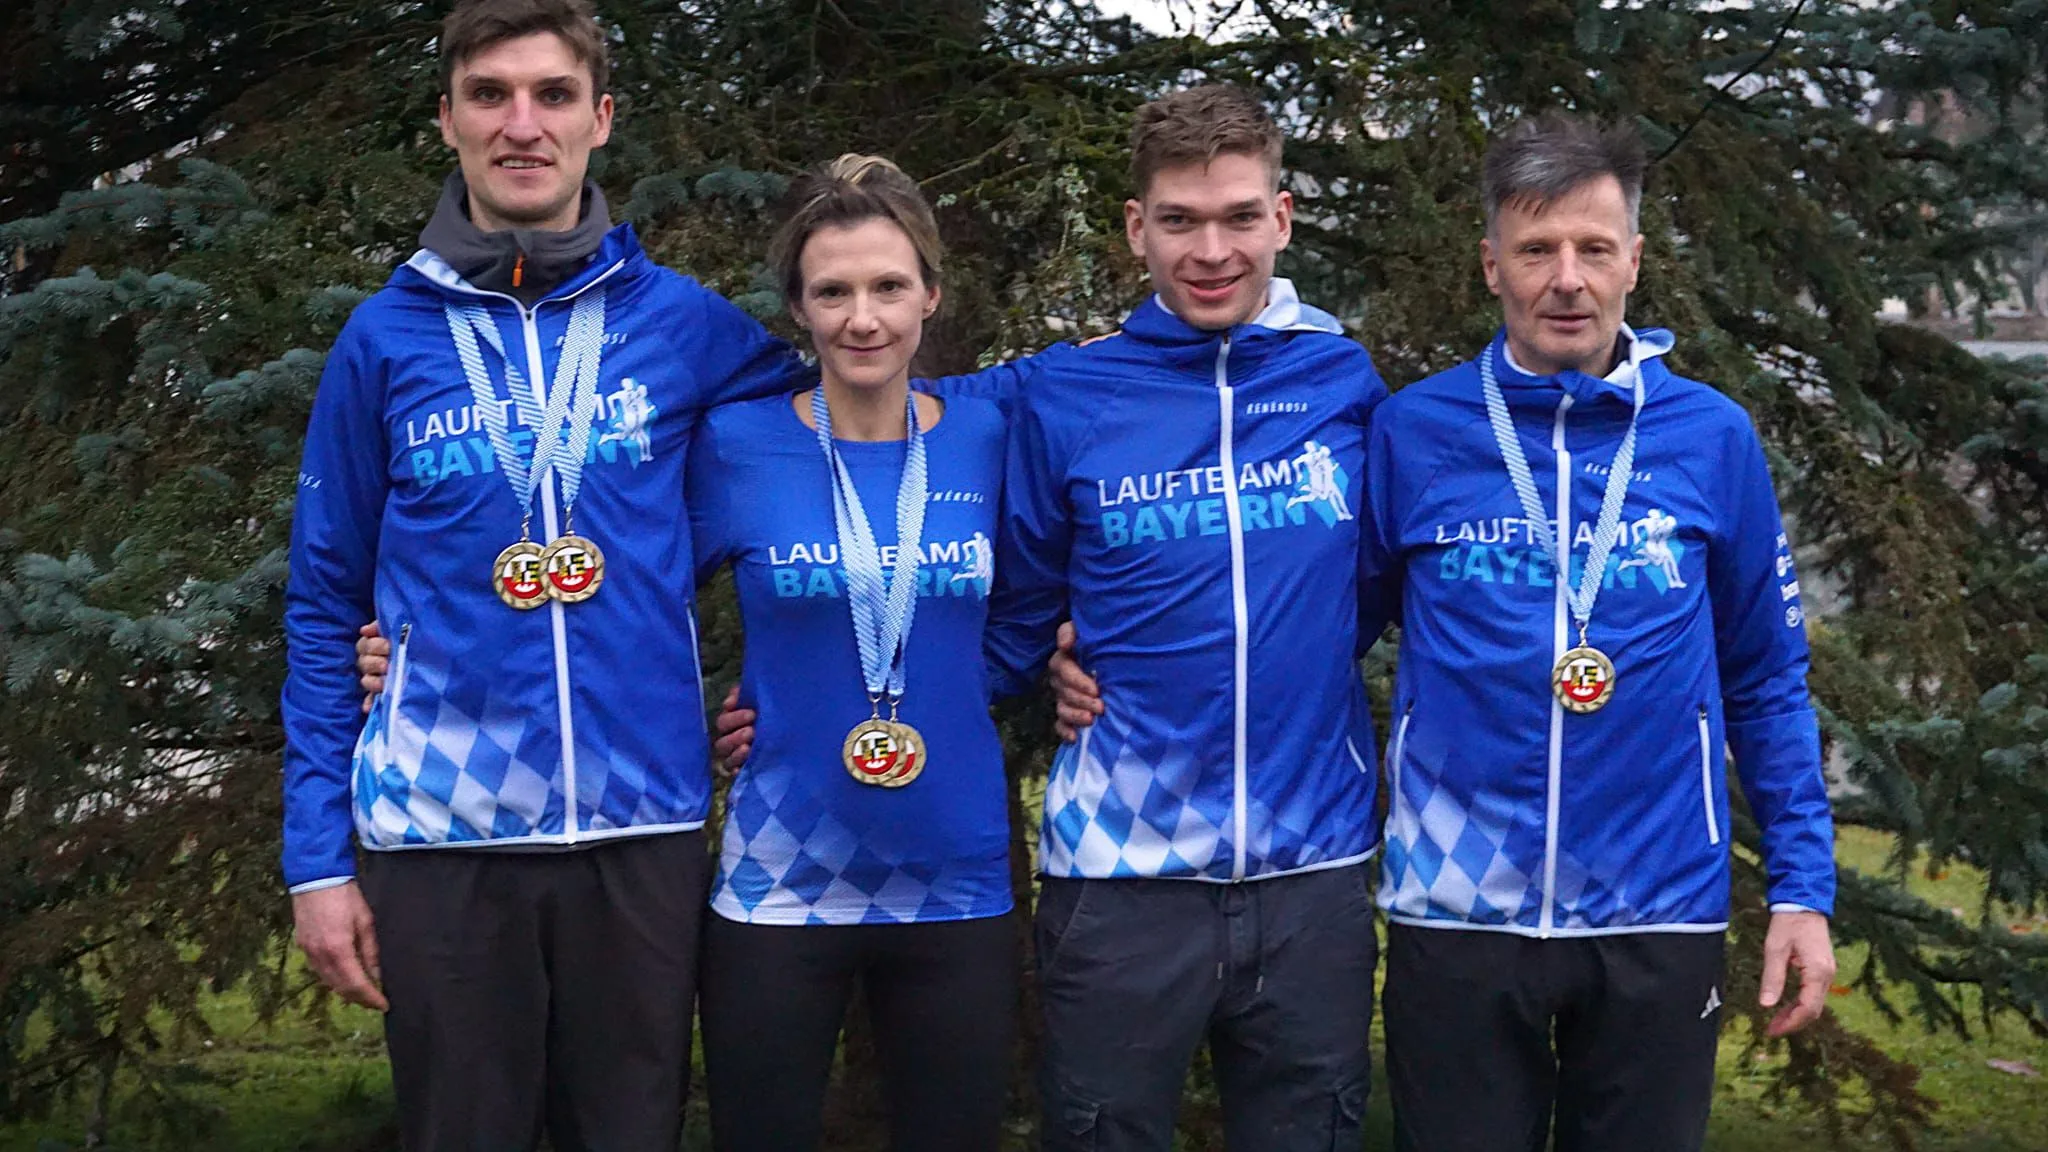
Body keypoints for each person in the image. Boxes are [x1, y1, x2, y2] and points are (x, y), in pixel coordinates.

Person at [1050, 111, 1838, 1152]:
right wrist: (1086, 659)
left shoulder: (1710, 438)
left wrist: (1800, 891)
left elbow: (1767, 679)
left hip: (1658, 908)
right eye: (1535, 250)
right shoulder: (1413, 430)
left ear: (1633, 262)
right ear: (1489, 265)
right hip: (1453, 910)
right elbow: (1315, 615)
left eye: (1592, 249)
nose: (1565, 279)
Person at [715, 84, 1390, 1151]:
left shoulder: (1342, 382)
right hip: (1121, 873)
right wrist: (814, 701)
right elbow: (1001, 592)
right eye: (1177, 220)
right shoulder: (1058, 393)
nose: (1209, 250)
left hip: (1312, 874)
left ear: (1282, 218)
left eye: (1236, 217)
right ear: (1135, 227)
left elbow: (1386, 580)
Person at [280, 1, 805, 1148]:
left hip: (642, 830)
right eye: (491, 96)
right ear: (449, 120)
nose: (523, 125)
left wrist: (775, 658)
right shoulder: (383, 340)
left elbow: (829, 469)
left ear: (601, 119)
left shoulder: (685, 327)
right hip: (440, 837)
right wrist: (316, 862)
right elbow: (326, 603)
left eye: (553, 95)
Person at [688, 154, 1017, 1152]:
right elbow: (626, 601)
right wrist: (702, 711)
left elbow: (1036, 608)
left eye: (886, 286)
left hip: (957, 875)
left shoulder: (990, 436)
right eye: (831, 291)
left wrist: (995, 679)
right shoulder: (737, 444)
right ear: (797, 305)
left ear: (930, 293)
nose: (861, 318)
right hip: (775, 884)